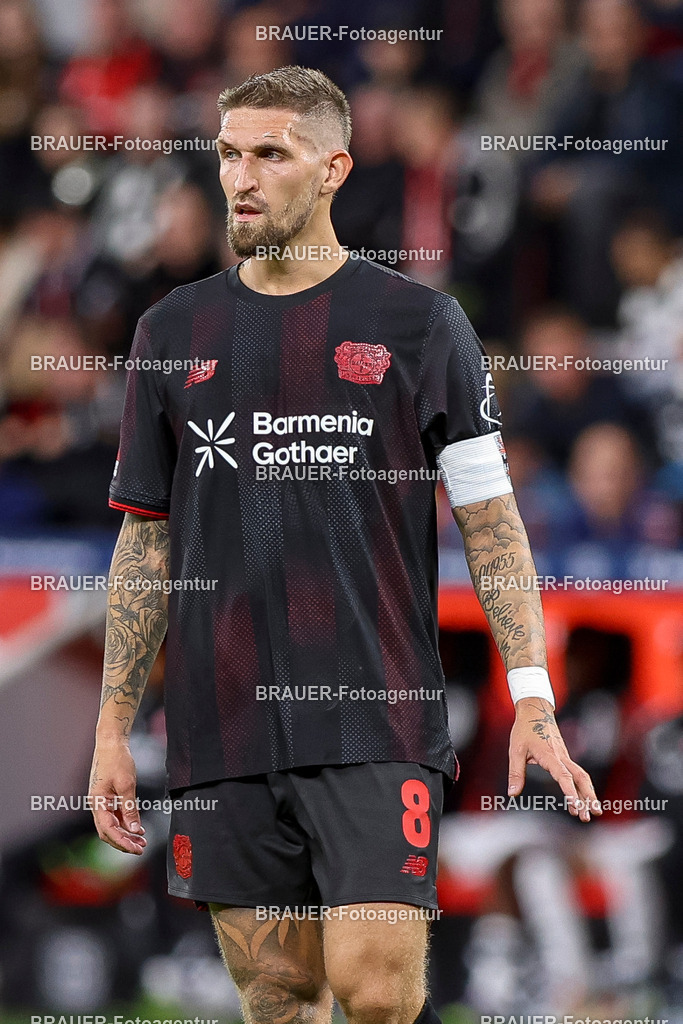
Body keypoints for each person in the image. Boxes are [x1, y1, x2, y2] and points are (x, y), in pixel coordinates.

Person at [88, 66, 601, 1024]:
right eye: (229, 154)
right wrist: (114, 728)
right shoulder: (171, 332)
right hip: (222, 721)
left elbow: (492, 525)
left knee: (374, 989)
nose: (241, 177)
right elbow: (145, 544)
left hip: (376, 714)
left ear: (332, 169)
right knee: (280, 996)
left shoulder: (418, 324)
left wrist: (531, 696)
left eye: (269, 155)